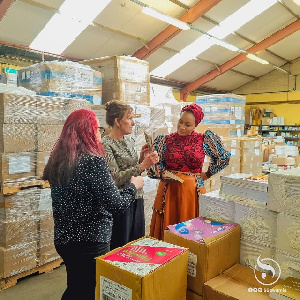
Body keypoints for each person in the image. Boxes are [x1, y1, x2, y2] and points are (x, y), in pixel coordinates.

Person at [42, 109, 143, 300]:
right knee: (86, 289)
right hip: (90, 242)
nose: (99, 134)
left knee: (76, 285)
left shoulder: (59, 160)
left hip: (64, 239)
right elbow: (117, 206)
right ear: (87, 131)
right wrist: (133, 186)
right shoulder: (93, 162)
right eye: (97, 129)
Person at [149, 103, 231, 240]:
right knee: (168, 230)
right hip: (169, 192)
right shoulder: (164, 140)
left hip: (192, 193)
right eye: (180, 122)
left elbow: (223, 158)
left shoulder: (203, 139)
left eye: (187, 125)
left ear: (195, 125)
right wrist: (161, 173)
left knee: (191, 229)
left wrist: (207, 174)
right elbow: (154, 165)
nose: (182, 127)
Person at [101, 100, 158, 249]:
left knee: (136, 244)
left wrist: (141, 157)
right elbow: (115, 178)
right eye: (129, 118)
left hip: (137, 197)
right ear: (117, 121)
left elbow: (133, 168)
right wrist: (142, 165)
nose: (133, 123)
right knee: (121, 246)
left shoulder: (130, 140)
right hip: (120, 202)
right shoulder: (106, 144)